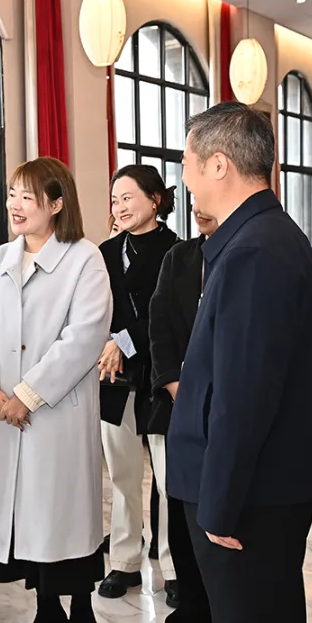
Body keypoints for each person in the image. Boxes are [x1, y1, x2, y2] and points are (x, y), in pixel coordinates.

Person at [167, 101, 312, 623]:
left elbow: (243, 396)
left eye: (187, 162)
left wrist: (220, 505)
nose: (184, 177)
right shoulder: (260, 237)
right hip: (261, 491)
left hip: (250, 501)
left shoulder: (255, 250)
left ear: (219, 165)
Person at [0, 156, 111, 623]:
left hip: (55, 414)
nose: (15, 205)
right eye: (11, 195)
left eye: (28, 196)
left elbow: (84, 336)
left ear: (57, 203)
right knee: (24, 522)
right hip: (1, 413)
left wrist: (27, 394)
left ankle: (82, 615)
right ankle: (47, 614)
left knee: (63, 518)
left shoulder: (84, 259)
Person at [97, 165, 180, 599]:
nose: (120, 207)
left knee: (167, 480)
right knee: (122, 474)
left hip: (160, 378)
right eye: (115, 200)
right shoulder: (105, 252)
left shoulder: (179, 252)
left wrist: (124, 341)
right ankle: (125, 561)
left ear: (155, 200)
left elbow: (172, 317)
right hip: (113, 378)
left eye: (128, 197)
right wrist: (107, 344)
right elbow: (93, 312)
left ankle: (173, 566)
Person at [148, 204, 219, 623]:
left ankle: (228, 611)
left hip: (235, 408)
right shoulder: (179, 257)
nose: (198, 207)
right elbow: (159, 325)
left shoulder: (249, 253)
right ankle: (192, 614)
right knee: (183, 512)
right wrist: (176, 386)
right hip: (182, 407)